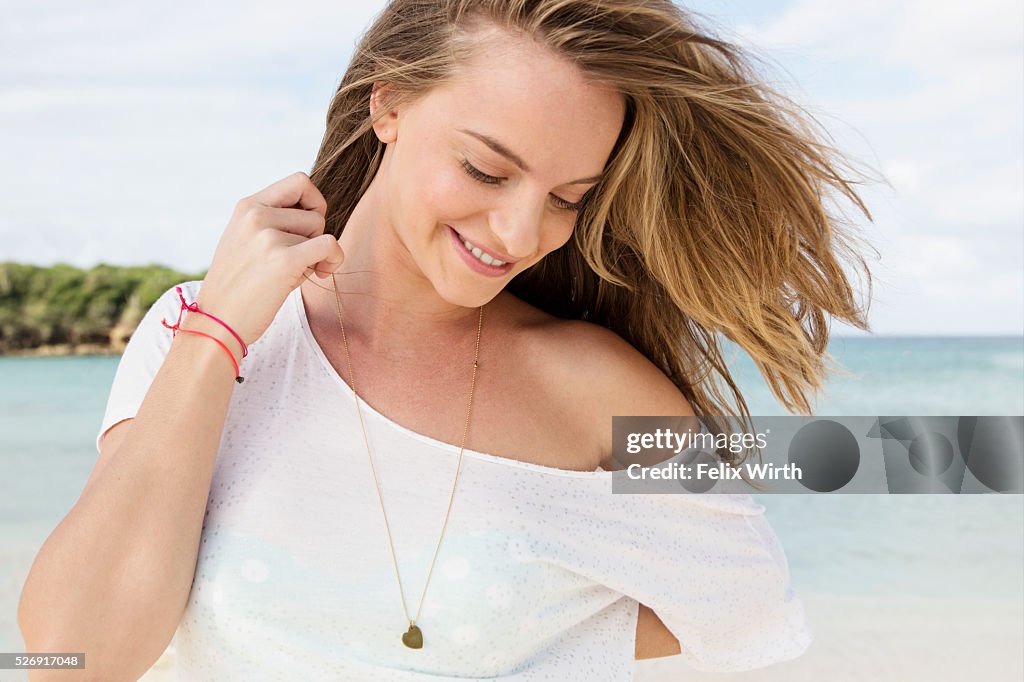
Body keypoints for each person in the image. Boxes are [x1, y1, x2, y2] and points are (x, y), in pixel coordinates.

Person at [19, 0, 874, 679]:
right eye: (485, 169)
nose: (517, 229)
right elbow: (73, 659)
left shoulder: (594, 391)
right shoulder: (193, 329)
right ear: (387, 104)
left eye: (569, 196)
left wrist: (529, 636)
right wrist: (218, 338)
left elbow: (746, 607)